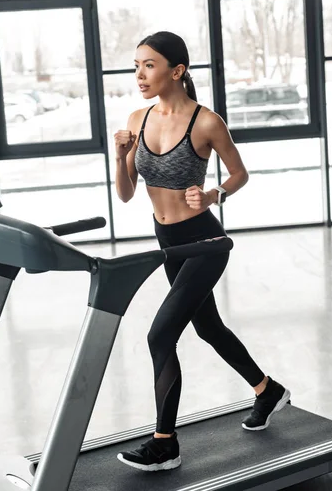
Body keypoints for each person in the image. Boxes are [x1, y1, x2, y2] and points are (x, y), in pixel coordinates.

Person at [114, 31, 290, 472]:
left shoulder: (206, 122)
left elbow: (239, 173)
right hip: (169, 241)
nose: (139, 74)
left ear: (177, 70)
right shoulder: (137, 119)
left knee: (160, 335)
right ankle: (266, 390)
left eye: (149, 65)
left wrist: (214, 195)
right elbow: (125, 194)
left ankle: (164, 443)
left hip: (205, 243)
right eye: (136, 65)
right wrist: (119, 158)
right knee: (208, 326)